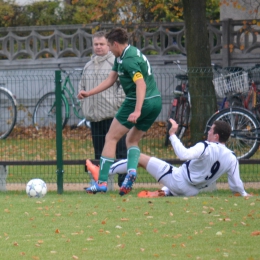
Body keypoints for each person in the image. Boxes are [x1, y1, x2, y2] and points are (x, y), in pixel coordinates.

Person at [78, 27, 162, 195]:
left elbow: (141, 84)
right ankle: (131, 172)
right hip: (155, 102)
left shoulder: (129, 60)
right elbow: (111, 78)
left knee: (111, 137)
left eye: (108, 44)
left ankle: (101, 182)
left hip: (137, 101)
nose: (107, 48)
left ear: (115, 44)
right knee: (131, 140)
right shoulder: (124, 54)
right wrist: (89, 92)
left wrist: (137, 110)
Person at [87, 119, 251, 197]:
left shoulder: (206, 146)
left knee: (138, 157)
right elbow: (236, 184)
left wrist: (172, 134)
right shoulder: (231, 157)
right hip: (193, 191)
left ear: (215, 135)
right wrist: (244, 194)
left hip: (179, 180)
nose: (208, 132)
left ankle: (103, 171)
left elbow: (183, 155)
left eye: (210, 130)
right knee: (172, 177)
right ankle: (160, 193)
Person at [78, 31, 127, 187]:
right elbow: (82, 87)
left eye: (101, 44)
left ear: (109, 45)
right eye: (96, 44)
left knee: (120, 152)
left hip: (113, 115)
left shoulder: (116, 62)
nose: (98, 47)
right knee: (99, 153)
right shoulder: (88, 66)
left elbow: (124, 87)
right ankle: (101, 182)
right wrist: (84, 104)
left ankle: (124, 182)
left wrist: (117, 103)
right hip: (95, 116)